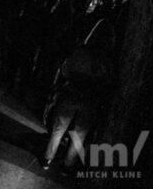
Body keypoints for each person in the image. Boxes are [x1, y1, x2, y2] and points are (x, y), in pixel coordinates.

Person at [41, 19, 115, 173]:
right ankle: (67, 165)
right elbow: (107, 82)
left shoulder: (80, 51)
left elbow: (65, 70)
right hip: (90, 99)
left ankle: (48, 159)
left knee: (59, 128)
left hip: (71, 93)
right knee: (80, 134)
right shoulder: (107, 60)